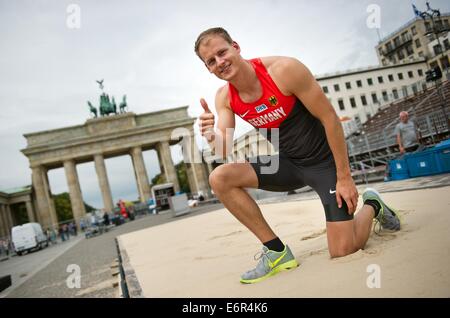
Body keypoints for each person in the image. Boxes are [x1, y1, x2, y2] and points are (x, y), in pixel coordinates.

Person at [195, 27, 401, 284]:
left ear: (235, 47)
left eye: (221, 52)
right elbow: (224, 150)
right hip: (289, 164)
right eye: (211, 61)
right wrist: (212, 136)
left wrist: (344, 177)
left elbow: (330, 119)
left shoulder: (284, 70)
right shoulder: (224, 97)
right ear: (208, 69)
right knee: (220, 178)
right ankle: (276, 252)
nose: (220, 62)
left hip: (324, 164)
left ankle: (373, 204)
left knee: (343, 251)